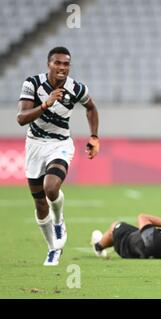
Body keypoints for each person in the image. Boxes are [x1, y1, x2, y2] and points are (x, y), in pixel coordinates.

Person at [16, 47, 100, 266]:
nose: (62, 67)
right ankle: (53, 248)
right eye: (58, 63)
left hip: (60, 145)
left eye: (66, 64)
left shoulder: (76, 88)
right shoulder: (32, 84)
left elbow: (91, 107)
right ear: (49, 64)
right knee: (39, 204)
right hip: (34, 145)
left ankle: (59, 220)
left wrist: (94, 137)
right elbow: (21, 118)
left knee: (51, 187)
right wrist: (45, 104)